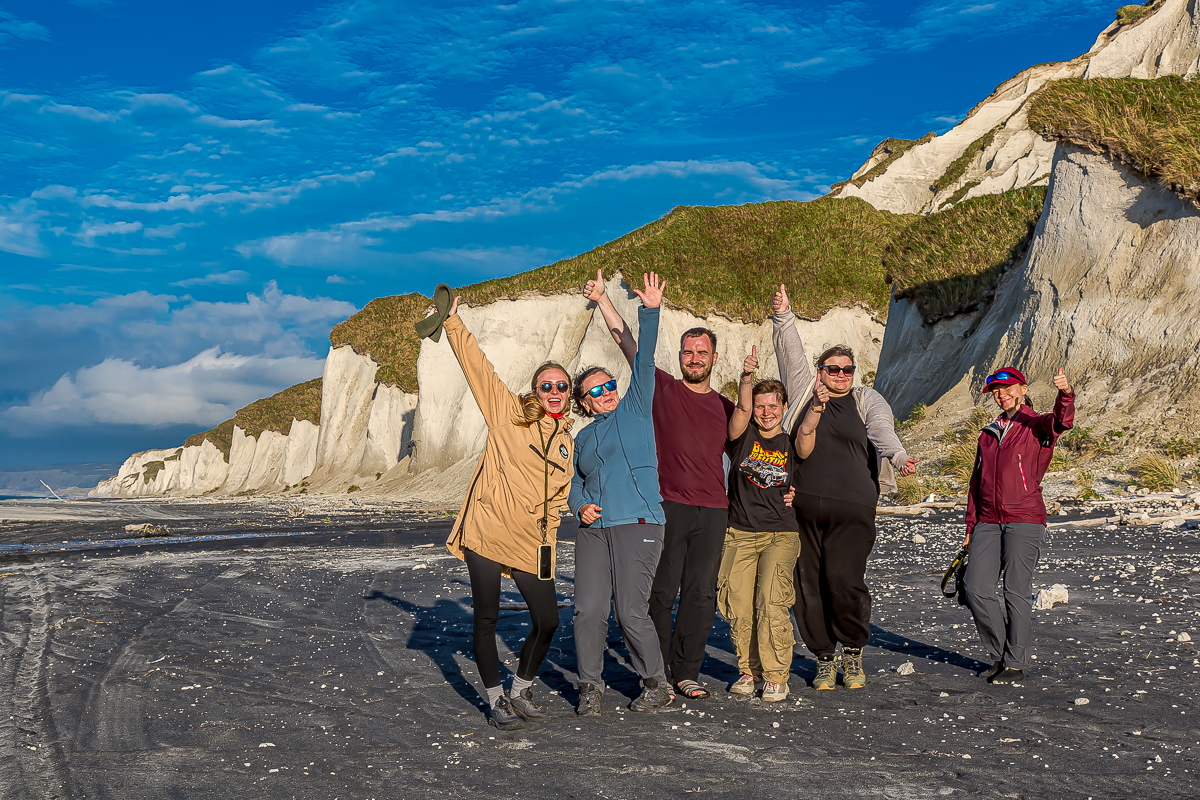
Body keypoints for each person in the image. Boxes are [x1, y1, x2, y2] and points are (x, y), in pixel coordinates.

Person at [584, 269, 735, 701]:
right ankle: (659, 673)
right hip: (668, 505)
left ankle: (688, 672)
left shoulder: (727, 408)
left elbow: (760, 446)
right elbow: (626, 342)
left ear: (713, 358)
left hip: (714, 509)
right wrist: (604, 301)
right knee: (660, 593)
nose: (693, 358)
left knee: (702, 594)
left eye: (700, 352)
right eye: (687, 351)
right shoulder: (662, 389)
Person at [773, 283, 917, 690]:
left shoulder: (866, 399)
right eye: (832, 369)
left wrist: (900, 457)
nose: (839, 375)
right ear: (820, 372)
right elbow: (790, 354)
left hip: (854, 506)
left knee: (845, 579)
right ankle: (822, 657)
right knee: (809, 584)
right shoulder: (805, 393)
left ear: (854, 373)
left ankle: (851, 652)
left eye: (846, 369)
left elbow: (883, 433)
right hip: (802, 509)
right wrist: (783, 314)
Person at [442, 295, 575, 730]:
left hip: (531, 541)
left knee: (549, 620)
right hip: (487, 530)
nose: (554, 393)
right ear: (534, 391)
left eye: (562, 387)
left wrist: (548, 546)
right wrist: (453, 323)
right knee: (487, 617)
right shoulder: (508, 414)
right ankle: (497, 699)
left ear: (570, 395)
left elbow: (556, 503)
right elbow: (479, 370)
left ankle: (521, 687)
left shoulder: (566, 443)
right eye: (546, 386)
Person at [569, 272, 672, 715]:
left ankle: (656, 685)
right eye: (596, 390)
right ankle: (590, 687)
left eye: (610, 384)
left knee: (631, 611)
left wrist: (649, 310)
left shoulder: (635, 407)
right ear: (584, 402)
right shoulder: (581, 440)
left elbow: (644, 360)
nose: (607, 392)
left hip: (640, 522)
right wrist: (579, 506)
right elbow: (572, 482)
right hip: (594, 530)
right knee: (588, 612)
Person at [963, 366, 1074, 684]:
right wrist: (970, 527)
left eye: (1008, 388)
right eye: (996, 392)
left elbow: (1061, 422)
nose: (1001, 395)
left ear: (1023, 389)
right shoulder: (987, 434)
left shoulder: (1035, 424)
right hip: (986, 520)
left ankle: (1014, 663)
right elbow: (976, 483)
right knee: (976, 589)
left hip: (1024, 518)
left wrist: (1065, 395)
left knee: (1015, 591)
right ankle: (1001, 653)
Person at [717, 344, 801, 702]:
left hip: (780, 533)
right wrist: (746, 378)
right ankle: (749, 670)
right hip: (739, 533)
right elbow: (741, 410)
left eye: (773, 406)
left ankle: (777, 675)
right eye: (761, 406)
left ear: (783, 407)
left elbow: (810, 475)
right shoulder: (741, 436)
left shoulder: (792, 442)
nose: (766, 412)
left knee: (770, 601)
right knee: (736, 605)